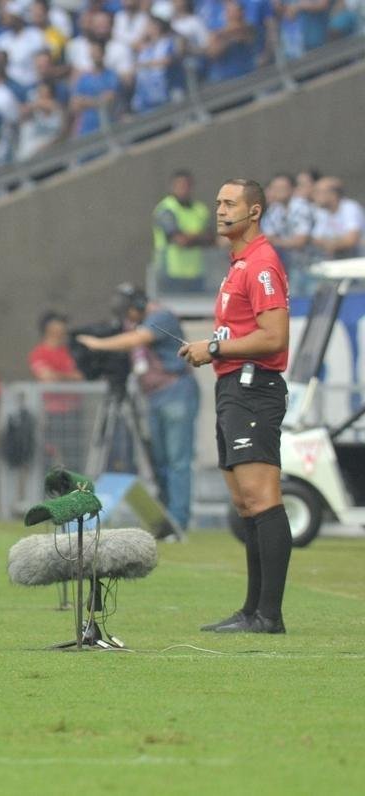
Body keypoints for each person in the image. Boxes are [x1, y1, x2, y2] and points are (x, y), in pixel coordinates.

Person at [179, 178, 291, 634]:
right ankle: (252, 610)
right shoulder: (238, 264)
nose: (220, 210)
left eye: (230, 203)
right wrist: (211, 348)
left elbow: (275, 337)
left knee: (263, 497)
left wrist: (218, 349)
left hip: (253, 387)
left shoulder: (262, 263)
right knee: (246, 504)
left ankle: (269, 615)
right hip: (233, 388)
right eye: (218, 202)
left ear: (255, 211)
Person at [78, 284, 199, 531]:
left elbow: (139, 339)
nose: (127, 320)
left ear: (139, 307)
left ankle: (178, 519)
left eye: (129, 313)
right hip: (153, 396)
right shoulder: (137, 322)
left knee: (177, 460)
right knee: (160, 460)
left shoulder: (161, 316)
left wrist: (98, 344)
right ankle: (165, 515)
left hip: (175, 391)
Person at [28, 310, 85, 469]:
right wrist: (68, 377)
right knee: (48, 461)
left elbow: (81, 376)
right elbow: (46, 378)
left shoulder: (71, 352)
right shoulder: (39, 353)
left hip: (73, 413)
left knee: (74, 460)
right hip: (52, 415)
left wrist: (61, 376)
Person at [153, 169, 215, 294]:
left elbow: (211, 238)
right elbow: (180, 240)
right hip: (171, 274)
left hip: (196, 274)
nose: (183, 189)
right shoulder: (166, 209)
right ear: (172, 187)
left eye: (187, 186)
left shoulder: (200, 209)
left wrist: (189, 237)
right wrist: (199, 237)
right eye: (180, 186)